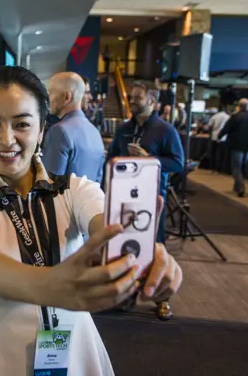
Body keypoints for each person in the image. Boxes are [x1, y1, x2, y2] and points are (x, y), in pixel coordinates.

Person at [0, 67, 182, 376]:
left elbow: (105, 224)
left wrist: (142, 255)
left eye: (22, 124)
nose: (6, 139)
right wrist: (52, 286)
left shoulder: (75, 190)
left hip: (79, 357)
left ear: (41, 131)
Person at [106, 82, 184, 320]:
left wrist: (150, 159)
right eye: (131, 96)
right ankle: (127, 294)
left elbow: (178, 163)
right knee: (124, 245)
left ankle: (162, 300)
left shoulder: (165, 130)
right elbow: (110, 159)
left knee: (155, 246)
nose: (132, 99)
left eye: (137, 97)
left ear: (152, 101)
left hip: (152, 197)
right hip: (122, 196)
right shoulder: (123, 129)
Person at [43, 71, 106, 183]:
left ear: (67, 97)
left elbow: (49, 185)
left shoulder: (59, 131)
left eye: (51, 93)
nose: (48, 99)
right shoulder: (95, 133)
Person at [219, 98, 248, 198]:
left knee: (236, 167)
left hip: (236, 145)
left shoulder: (235, 117)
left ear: (239, 106)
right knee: (242, 166)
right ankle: (237, 186)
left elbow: (226, 129)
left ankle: (240, 187)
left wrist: (219, 136)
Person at [208, 105, 230, 172]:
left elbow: (210, 126)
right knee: (222, 154)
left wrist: (210, 135)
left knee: (213, 153)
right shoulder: (228, 117)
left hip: (214, 136)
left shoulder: (214, 116)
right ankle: (220, 168)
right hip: (224, 138)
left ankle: (213, 168)